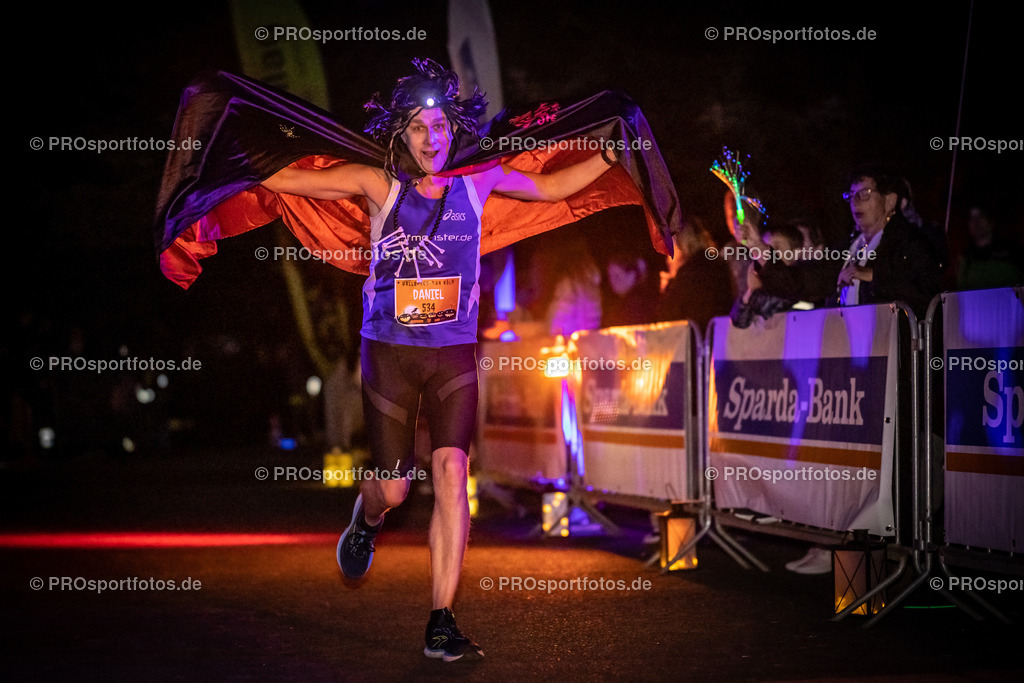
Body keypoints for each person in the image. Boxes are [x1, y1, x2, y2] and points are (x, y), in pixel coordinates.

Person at [260, 59, 618, 662]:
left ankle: (442, 620)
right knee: (396, 491)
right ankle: (364, 519)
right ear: (401, 133)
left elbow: (555, 188)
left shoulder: (476, 184)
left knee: (453, 473)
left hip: (453, 353)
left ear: (454, 129)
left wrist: (612, 156)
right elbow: (289, 182)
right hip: (391, 354)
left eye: (441, 126)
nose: (433, 138)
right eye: (420, 128)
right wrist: (239, 160)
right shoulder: (381, 187)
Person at [834, 164, 943, 318]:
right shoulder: (849, 247)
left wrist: (875, 276)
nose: (855, 202)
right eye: (851, 195)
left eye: (865, 193)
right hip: (846, 338)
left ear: (890, 201)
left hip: (889, 339)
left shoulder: (910, 244)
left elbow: (927, 295)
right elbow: (817, 279)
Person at [655, 218, 735, 330]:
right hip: (722, 339)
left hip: (697, 342)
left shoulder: (688, 275)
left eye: (670, 251)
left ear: (681, 246)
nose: (667, 260)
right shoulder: (719, 266)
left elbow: (666, 318)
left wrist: (667, 287)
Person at [729, 222, 805, 328]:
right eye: (767, 247)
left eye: (776, 249)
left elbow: (782, 298)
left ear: (796, 253)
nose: (769, 254)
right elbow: (739, 321)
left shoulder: (801, 279)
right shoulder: (759, 281)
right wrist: (749, 292)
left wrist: (756, 291)